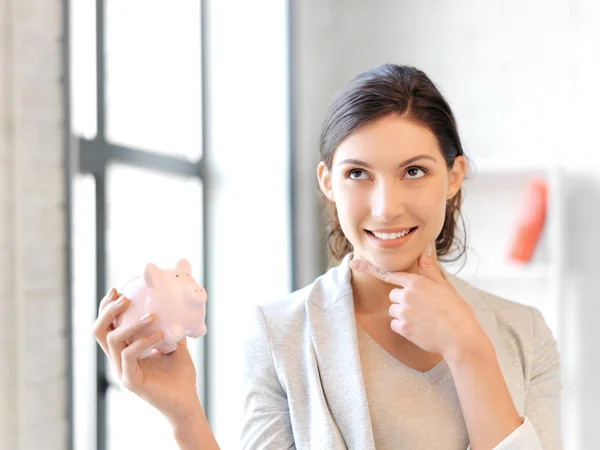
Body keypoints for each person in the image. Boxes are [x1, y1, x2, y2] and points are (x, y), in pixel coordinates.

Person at [92, 64, 562, 450]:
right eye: (358, 173)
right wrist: (183, 414)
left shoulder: (524, 334)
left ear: (455, 176)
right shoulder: (280, 332)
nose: (385, 206)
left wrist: (467, 348)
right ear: (328, 182)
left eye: (414, 171)